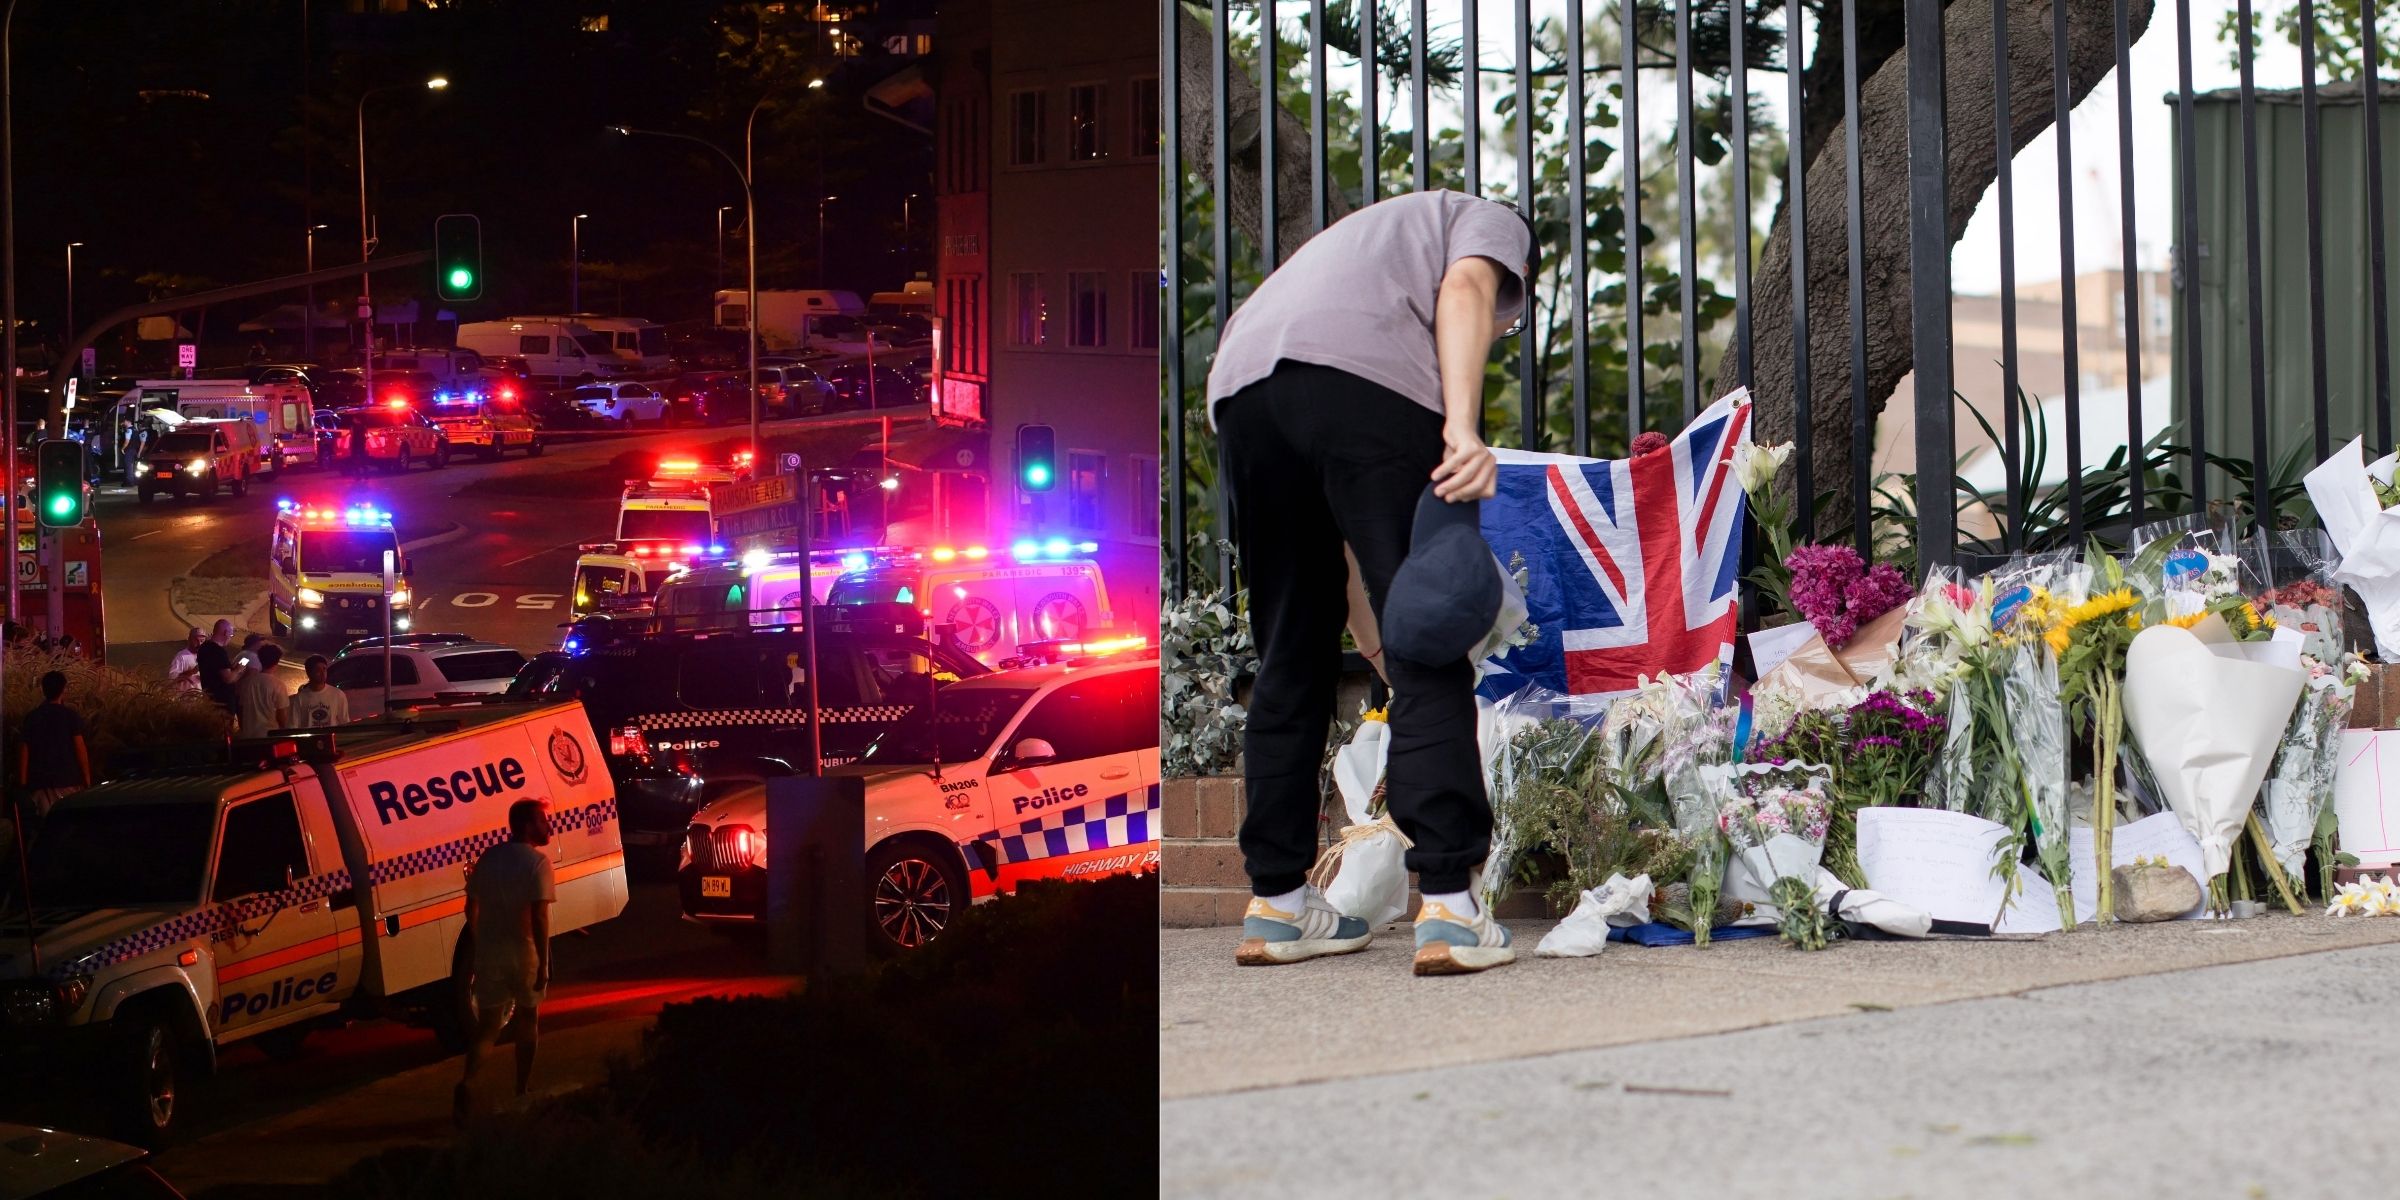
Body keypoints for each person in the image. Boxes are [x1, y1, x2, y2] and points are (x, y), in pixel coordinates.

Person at [1208, 189, 1531, 976]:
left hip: (1243, 392)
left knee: (1290, 648)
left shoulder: (1360, 247)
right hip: (1369, 387)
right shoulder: (1485, 218)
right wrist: (1461, 424)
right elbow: (1463, 291)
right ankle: (1452, 907)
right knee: (1431, 640)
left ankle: (1279, 906)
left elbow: (1353, 574)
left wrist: (1374, 637)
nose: (1499, 327)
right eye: (1510, 317)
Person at [456, 799, 555, 1123]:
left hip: (490, 952)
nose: (547, 826)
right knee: (528, 1020)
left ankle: (468, 1082)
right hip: (523, 951)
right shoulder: (537, 863)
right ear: (528, 826)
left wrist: (481, 937)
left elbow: (471, 908)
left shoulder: (489, 858)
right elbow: (539, 917)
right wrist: (543, 961)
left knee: (487, 1027)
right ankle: (522, 1088)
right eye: (542, 821)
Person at [18, 670, 91, 822]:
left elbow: (25, 751)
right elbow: (80, 750)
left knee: (47, 828)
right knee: (68, 826)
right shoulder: (70, 716)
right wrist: (87, 780)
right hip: (69, 781)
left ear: (43, 690)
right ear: (63, 689)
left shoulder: (32, 717)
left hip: (41, 784)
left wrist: (23, 784)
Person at [233, 643, 291, 738]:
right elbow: (282, 716)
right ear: (277, 662)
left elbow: (241, 710)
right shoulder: (278, 685)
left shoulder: (247, 683)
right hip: (269, 736)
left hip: (249, 736)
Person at [195, 619, 242, 714]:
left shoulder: (204, 647)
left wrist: (230, 667)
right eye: (231, 635)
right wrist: (238, 669)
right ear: (225, 633)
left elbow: (215, 669)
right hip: (222, 703)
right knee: (223, 728)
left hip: (209, 698)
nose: (230, 638)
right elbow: (228, 678)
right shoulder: (218, 652)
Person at [290, 654, 349, 728]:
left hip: (330, 738)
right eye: (318, 670)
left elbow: (344, 722)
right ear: (309, 673)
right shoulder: (300, 698)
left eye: (324, 669)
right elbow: (294, 725)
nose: (322, 673)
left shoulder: (338, 695)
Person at [167, 626, 205, 692]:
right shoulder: (181, 657)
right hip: (185, 699)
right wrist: (192, 671)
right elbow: (172, 680)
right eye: (196, 640)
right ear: (189, 639)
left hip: (200, 699)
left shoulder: (205, 656)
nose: (199, 644)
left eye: (202, 641)